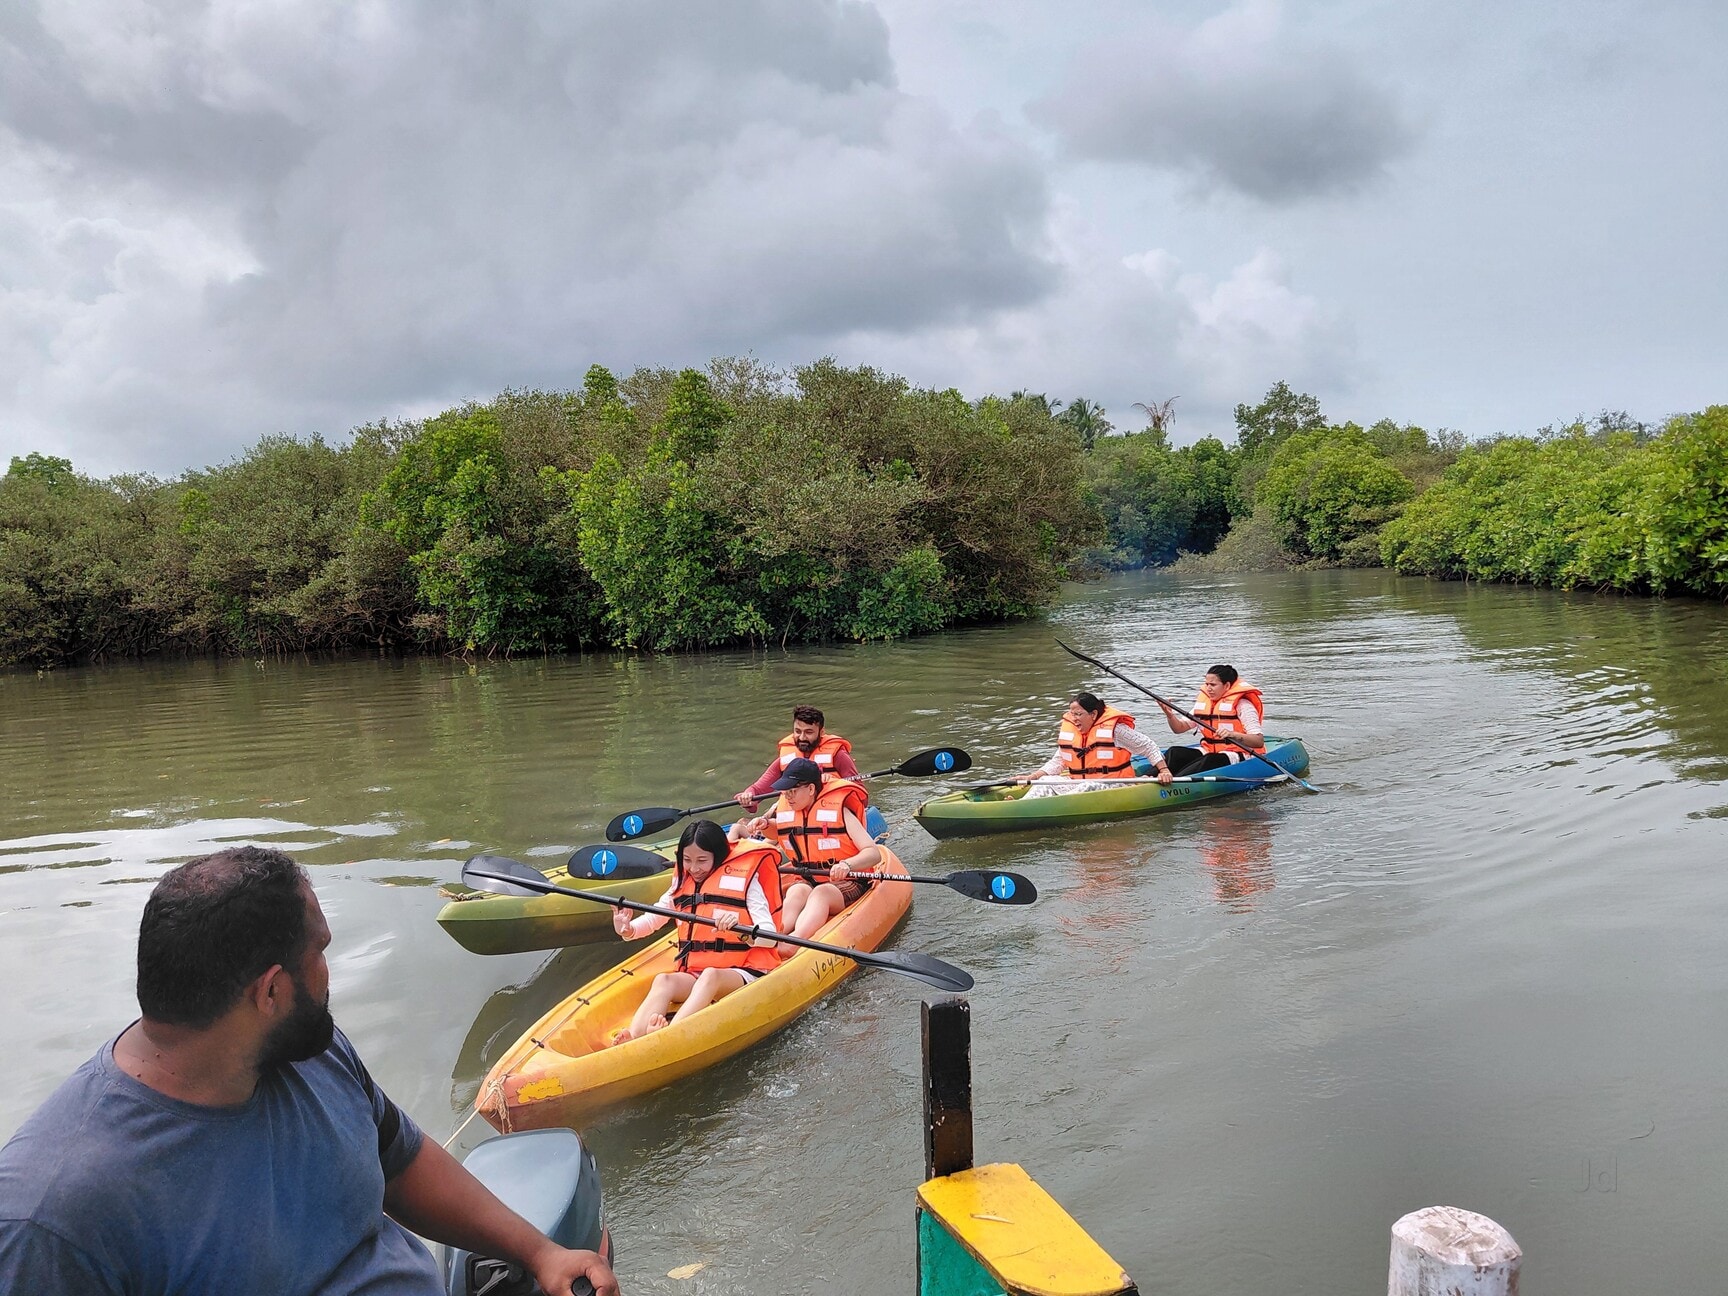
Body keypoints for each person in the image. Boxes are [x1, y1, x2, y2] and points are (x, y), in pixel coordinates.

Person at [0, 847, 618, 1296]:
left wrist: (541, 1253)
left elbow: (398, 1159)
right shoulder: (53, 1218)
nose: (328, 973)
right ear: (270, 991)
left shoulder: (305, 1051)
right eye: (320, 952)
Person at [608, 819, 787, 1046]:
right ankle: (634, 1037)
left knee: (711, 975)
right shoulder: (682, 881)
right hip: (698, 973)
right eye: (687, 860)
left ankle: (668, 1036)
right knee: (664, 980)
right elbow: (655, 917)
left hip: (745, 971)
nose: (694, 868)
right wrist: (628, 929)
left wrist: (741, 931)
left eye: (702, 860)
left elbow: (770, 937)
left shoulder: (746, 881)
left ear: (718, 856)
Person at [733, 757, 880, 940]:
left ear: (811, 789)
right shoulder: (789, 811)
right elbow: (780, 832)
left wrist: (847, 865)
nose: (787, 796)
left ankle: (794, 941)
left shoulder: (841, 812)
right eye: (786, 792)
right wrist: (765, 824)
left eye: (793, 791)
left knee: (821, 892)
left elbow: (873, 853)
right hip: (808, 877)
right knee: (797, 891)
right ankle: (773, 935)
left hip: (849, 881)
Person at [1016, 691, 1172, 796]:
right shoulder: (1072, 732)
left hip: (1117, 785)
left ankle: (1050, 805)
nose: (1074, 718)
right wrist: (1033, 776)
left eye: (1079, 714)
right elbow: (1058, 761)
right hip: (1081, 784)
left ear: (1093, 714)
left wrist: (1164, 770)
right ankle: (1022, 806)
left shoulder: (1116, 730)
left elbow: (1148, 746)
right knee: (1045, 780)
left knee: (1088, 786)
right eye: (1072, 714)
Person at [734, 704, 860, 807]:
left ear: (821, 732)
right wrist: (748, 795)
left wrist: (832, 783)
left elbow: (859, 794)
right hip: (795, 816)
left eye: (809, 732)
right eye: (797, 731)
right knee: (743, 822)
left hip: (829, 810)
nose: (802, 737)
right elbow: (759, 789)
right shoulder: (786, 757)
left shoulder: (838, 755)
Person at [1158, 664, 1265, 776]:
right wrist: (1170, 716)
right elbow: (1179, 728)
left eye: (1213, 685)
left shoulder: (1243, 705)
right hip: (1209, 750)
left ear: (1227, 686)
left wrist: (1233, 735)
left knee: (1210, 760)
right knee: (1175, 752)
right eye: (1207, 684)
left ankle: (1173, 782)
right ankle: (1149, 778)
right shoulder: (1203, 704)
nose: (1208, 689)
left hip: (1239, 754)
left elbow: (1258, 741)